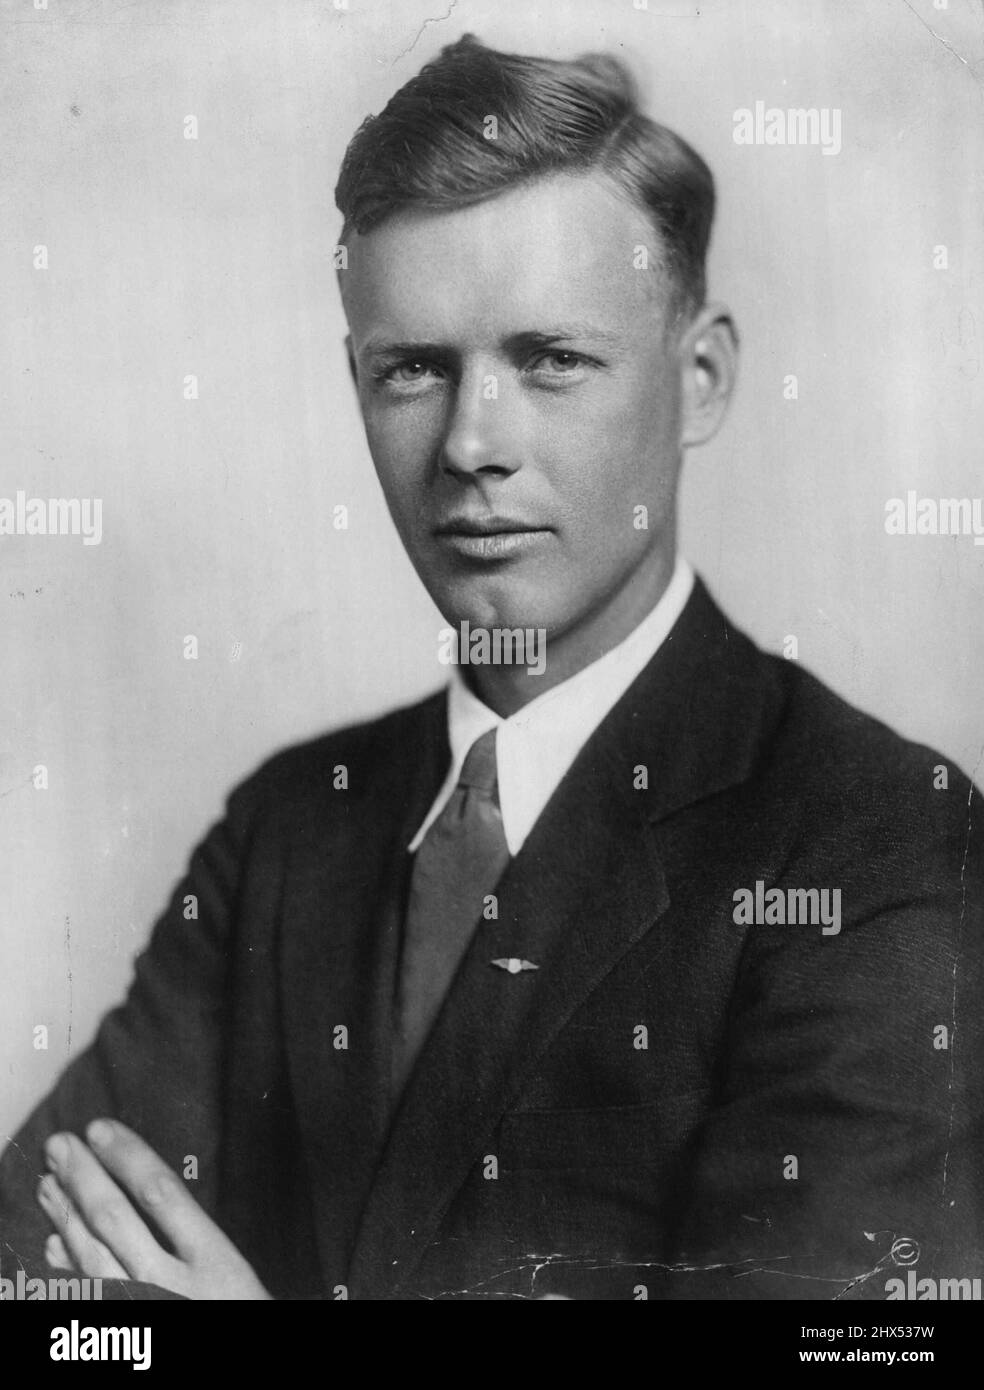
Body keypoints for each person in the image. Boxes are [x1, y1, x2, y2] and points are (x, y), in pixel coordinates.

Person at [1, 35, 981, 1302]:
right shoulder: (289, 829)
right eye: (412, 369)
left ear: (701, 379)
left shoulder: (885, 847)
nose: (471, 442)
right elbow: (31, 1282)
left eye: (552, 360)